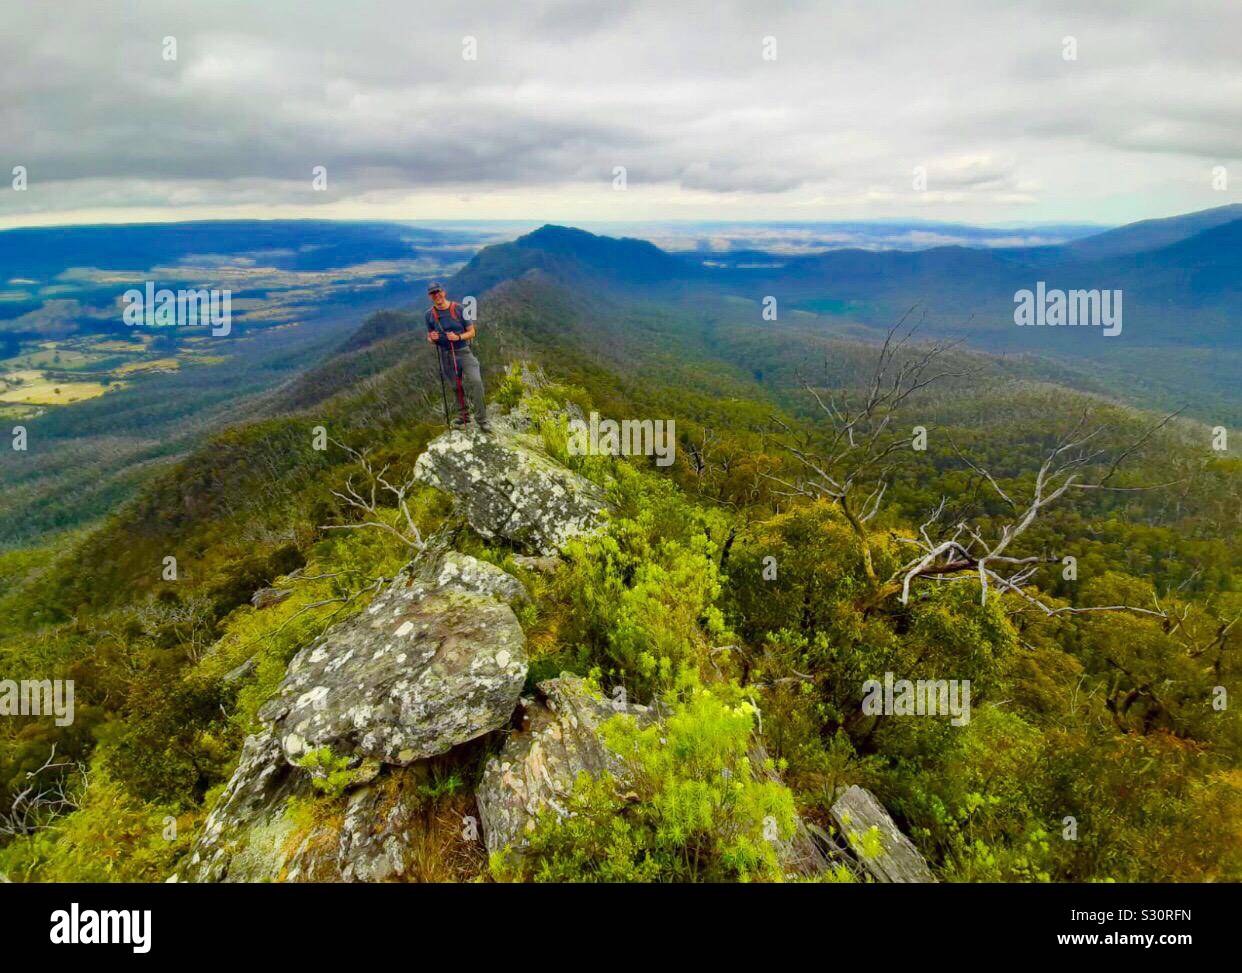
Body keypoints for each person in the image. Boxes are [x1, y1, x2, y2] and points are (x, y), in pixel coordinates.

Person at [424, 282, 490, 432]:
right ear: (430, 296)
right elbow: (430, 336)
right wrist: (431, 337)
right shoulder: (429, 315)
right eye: (433, 293)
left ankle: (482, 419)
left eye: (438, 292)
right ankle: (464, 416)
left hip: (463, 351)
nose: (437, 296)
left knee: (476, 382)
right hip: (445, 354)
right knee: (456, 386)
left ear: (444, 292)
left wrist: (458, 337)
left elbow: (472, 332)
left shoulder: (459, 309)